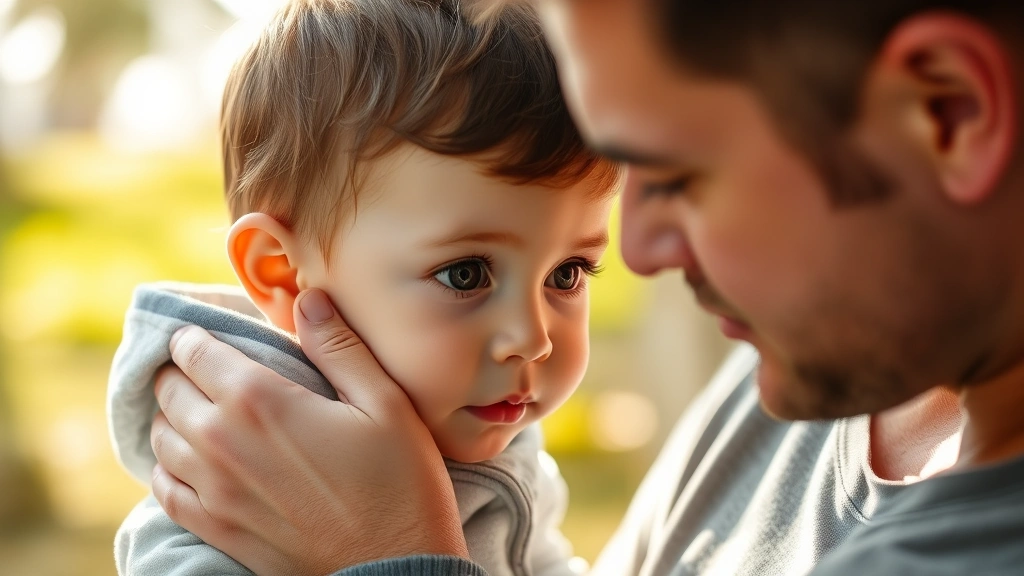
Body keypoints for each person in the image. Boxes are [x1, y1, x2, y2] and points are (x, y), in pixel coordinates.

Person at [145, 0, 1024, 574]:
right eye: (464, 272)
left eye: (679, 172)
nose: (635, 254)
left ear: (946, 113)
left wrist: (392, 557)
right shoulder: (819, 358)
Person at [105, 1, 621, 575]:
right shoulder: (229, 500)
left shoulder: (486, 425)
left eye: (567, 274)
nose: (533, 339)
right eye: (466, 274)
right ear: (282, 271)